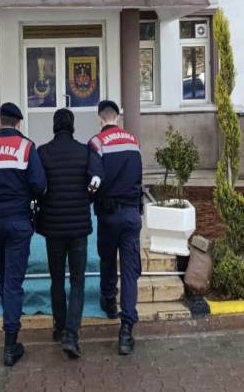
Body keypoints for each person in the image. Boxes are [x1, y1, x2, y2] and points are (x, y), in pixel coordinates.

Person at [0, 102, 47, 367]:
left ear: (1, 122)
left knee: (5, 273)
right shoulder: (26, 148)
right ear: (18, 123)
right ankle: (10, 345)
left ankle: (10, 324)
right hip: (18, 221)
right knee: (14, 281)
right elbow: (39, 186)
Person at [35, 109, 94, 359]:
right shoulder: (85, 151)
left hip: (53, 228)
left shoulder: (42, 152)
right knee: (78, 281)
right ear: (72, 126)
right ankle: (71, 334)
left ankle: (60, 328)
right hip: (79, 228)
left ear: (54, 126)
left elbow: (37, 186)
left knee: (57, 279)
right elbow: (94, 184)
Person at [87, 100, 143, 356]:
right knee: (130, 271)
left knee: (108, 259)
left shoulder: (96, 143)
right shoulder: (133, 141)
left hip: (109, 215)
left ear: (100, 118)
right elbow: (139, 177)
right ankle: (126, 331)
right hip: (131, 214)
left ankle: (109, 302)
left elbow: (94, 180)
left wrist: (88, 199)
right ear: (118, 118)